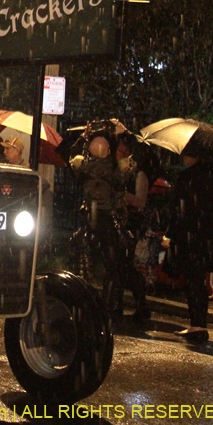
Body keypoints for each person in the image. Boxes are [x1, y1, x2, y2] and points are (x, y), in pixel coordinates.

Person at [166, 149, 213, 344]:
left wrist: (171, 232)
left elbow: (178, 208)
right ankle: (200, 323)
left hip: (190, 235)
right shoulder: (212, 176)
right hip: (205, 234)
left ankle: (196, 324)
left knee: (192, 280)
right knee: (198, 279)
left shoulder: (187, 177)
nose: (184, 158)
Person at [69, 132, 128, 317]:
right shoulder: (114, 170)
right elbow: (122, 185)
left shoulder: (83, 168)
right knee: (112, 263)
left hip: (88, 217)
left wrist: (82, 139)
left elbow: (69, 156)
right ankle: (108, 303)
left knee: (82, 261)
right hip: (107, 218)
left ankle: (83, 301)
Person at [115, 134, 151, 322]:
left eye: (125, 152)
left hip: (133, 225)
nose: (121, 155)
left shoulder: (139, 174)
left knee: (127, 265)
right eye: (119, 151)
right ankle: (118, 304)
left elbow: (140, 201)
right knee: (119, 264)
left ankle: (141, 302)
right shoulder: (118, 173)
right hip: (121, 223)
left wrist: (125, 196)